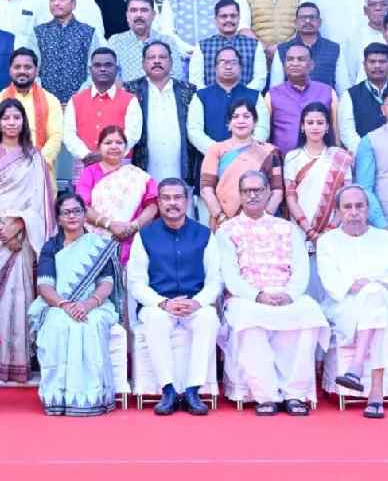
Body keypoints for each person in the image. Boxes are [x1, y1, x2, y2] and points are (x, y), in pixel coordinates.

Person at [218, 170, 328, 416]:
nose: (253, 195)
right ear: (240, 195)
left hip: (286, 295)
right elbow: (230, 275)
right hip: (247, 297)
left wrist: (289, 294)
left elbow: (300, 269)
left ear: (268, 192)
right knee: (248, 320)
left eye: (258, 190)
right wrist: (258, 296)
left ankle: (295, 394)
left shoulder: (287, 228)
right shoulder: (227, 230)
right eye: (247, 191)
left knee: (309, 312)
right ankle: (265, 396)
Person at [0, 98, 55, 382]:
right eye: (5, 118)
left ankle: (19, 362)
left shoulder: (34, 156)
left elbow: (40, 202)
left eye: (16, 118)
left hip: (23, 233)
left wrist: (20, 224)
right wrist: (1, 228)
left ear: (24, 122)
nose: (11, 123)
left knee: (20, 293)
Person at [127, 178, 222, 416]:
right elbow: (136, 282)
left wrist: (197, 302)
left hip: (194, 304)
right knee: (156, 320)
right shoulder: (145, 236)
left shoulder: (204, 234)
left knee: (209, 318)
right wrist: (163, 303)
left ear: (186, 201)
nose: (172, 203)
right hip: (158, 305)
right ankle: (168, 390)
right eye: (166, 198)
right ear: (158, 202)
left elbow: (215, 279)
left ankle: (192, 389)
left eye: (177, 197)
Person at [28, 193, 121, 416]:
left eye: (77, 211)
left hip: (96, 304)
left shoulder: (98, 246)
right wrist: (65, 304)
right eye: (66, 212)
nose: (72, 216)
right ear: (58, 218)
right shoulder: (51, 247)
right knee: (59, 325)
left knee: (91, 324)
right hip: (57, 304)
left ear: (84, 215)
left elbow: (106, 282)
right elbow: (45, 286)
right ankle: (58, 396)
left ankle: (92, 396)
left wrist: (89, 303)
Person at [317, 185, 388, 418]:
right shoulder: (327, 242)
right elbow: (333, 284)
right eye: (348, 207)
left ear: (368, 209)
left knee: (375, 298)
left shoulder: (384, 238)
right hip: (343, 307)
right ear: (338, 212)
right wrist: (372, 284)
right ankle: (375, 390)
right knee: (375, 296)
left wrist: (369, 285)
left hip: (381, 304)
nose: (354, 211)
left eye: (359, 206)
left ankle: (356, 370)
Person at [284, 102, 352, 301]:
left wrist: (331, 228)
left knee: (330, 277)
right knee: (303, 278)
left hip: (333, 228)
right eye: (310, 122)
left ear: (328, 126)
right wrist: (310, 231)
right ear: (302, 126)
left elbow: (346, 197)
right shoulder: (292, 157)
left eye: (320, 122)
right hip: (300, 228)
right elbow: (290, 196)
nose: (315, 127)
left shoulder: (340, 157)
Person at [76, 125, 158, 264]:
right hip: (94, 241)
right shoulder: (89, 173)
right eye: (108, 142)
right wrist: (109, 224)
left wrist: (134, 226)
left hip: (131, 240)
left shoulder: (137, 175)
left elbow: (153, 205)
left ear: (126, 148)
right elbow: (82, 206)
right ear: (99, 147)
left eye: (119, 143)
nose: (114, 146)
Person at [200, 100, 283, 231]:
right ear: (229, 124)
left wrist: (263, 219)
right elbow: (206, 190)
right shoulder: (216, 150)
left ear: (255, 122)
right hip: (224, 223)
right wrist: (222, 219)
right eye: (235, 116)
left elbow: (277, 192)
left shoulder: (270, 152)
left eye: (246, 116)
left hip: (261, 226)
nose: (241, 121)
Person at [123, 41, 198, 184]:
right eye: (151, 57)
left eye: (162, 57)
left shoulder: (188, 91)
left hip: (181, 172)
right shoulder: (130, 90)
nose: (157, 61)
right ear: (143, 63)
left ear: (171, 62)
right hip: (142, 173)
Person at [64, 48, 142, 181]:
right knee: (84, 202)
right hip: (85, 165)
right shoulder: (76, 100)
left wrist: (107, 154)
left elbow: (133, 135)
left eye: (108, 65)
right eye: (97, 65)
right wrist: (86, 155)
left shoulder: (130, 100)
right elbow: (68, 134)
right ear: (90, 70)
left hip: (119, 167)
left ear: (117, 70)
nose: (102, 69)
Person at [0, 48, 63, 174]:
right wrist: (9, 162)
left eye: (27, 67)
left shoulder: (51, 101)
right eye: (17, 67)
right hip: (5, 172)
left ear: (36, 71)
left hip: (40, 171)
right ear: (10, 70)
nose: (22, 71)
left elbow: (56, 137)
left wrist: (36, 162)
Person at [187, 46, 270, 158]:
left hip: (249, 160)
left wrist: (244, 150)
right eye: (223, 62)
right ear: (215, 68)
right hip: (211, 160)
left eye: (233, 62)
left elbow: (262, 129)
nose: (228, 66)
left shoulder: (254, 95)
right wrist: (219, 151)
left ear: (240, 67)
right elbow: (194, 131)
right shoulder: (201, 96)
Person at [266, 43, 340, 157]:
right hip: (282, 164)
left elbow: (336, 133)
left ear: (311, 65)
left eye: (301, 59)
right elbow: (265, 135)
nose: (295, 63)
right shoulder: (272, 95)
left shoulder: (328, 93)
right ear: (284, 65)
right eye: (290, 59)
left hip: (322, 163)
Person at [34, 0, 103, 104]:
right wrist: (44, 96)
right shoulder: (39, 32)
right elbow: (33, 69)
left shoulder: (88, 33)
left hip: (81, 102)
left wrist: (79, 97)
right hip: (45, 102)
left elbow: (94, 70)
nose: (56, 3)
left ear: (73, 4)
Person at [269, 3, 349, 93]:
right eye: (303, 18)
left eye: (312, 17)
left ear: (319, 22)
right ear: (295, 22)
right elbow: (275, 88)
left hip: (325, 104)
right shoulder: (283, 49)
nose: (307, 21)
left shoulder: (334, 49)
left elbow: (343, 87)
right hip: (291, 104)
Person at [188, 0, 266, 90]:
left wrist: (242, 96)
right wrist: (211, 97)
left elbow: (260, 79)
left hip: (246, 101)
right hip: (211, 102)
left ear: (239, 18)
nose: (229, 20)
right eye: (223, 16)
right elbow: (195, 82)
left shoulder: (254, 45)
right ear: (216, 19)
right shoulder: (202, 46)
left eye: (233, 16)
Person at [109, 0, 187, 83]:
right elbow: (110, 77)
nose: (138, 15)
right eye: (133, 10)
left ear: (153, 15)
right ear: (127, 15)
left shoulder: (168, 42)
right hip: (126, 95)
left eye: (144, 10)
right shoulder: (116, 42)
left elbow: (176, 76)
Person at [339, 42, 388, 154]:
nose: (377, 66)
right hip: (363, 157)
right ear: (364, 65)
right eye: (372, 62)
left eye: (382, 61)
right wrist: (366, 152)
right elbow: (347, 132)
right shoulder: (350, 95)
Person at [344, 0, 388, 84]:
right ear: (365, 10)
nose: (378, 8)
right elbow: (350, 74)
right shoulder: (354, 39)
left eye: (384, 4)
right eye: (373, 5)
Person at [356, 99, 388, 228]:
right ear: (383, 109)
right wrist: (382, 224)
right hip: (384, 219)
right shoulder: (370, 140)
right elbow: (365, 188)